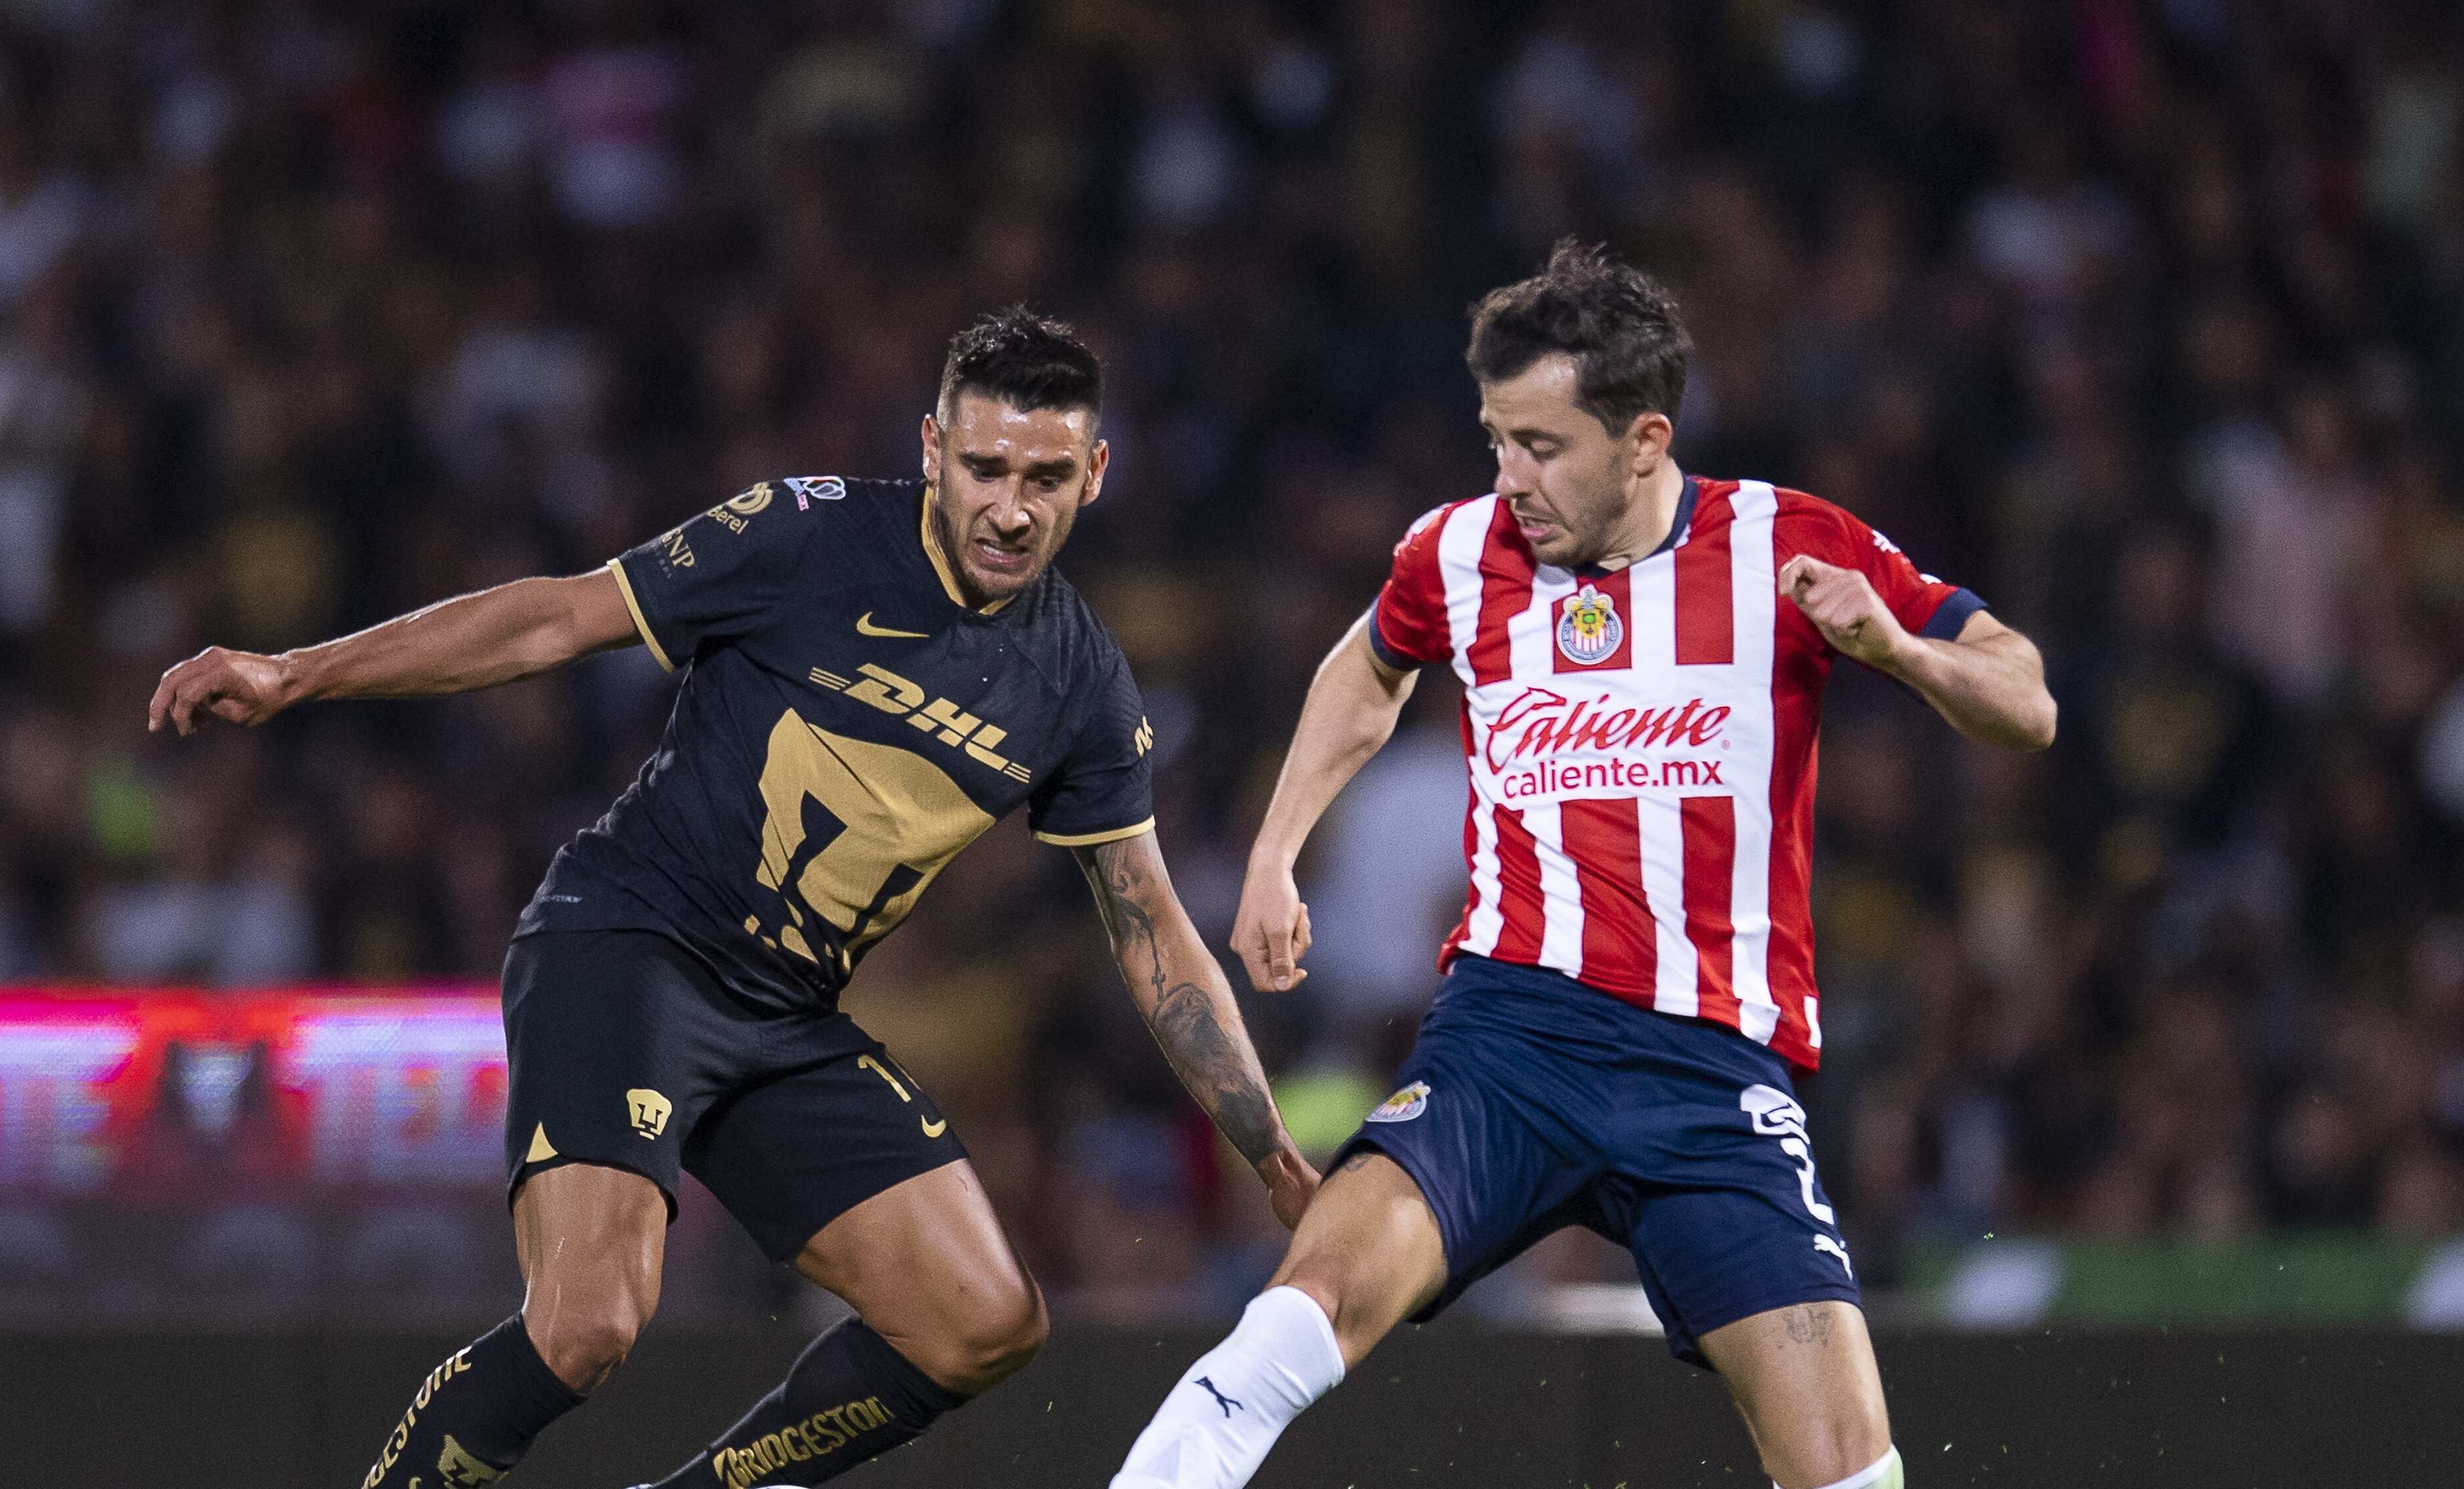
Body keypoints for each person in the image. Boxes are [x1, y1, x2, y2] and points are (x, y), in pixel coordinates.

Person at [149, 308, 1320, 1489]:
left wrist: (1267, 1146)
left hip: (784, 1016)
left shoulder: (1080, 681)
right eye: (985, 467)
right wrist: (296, 671)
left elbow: (1149, 925)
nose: (1011, 506)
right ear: (931, 447)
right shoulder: (804, 534)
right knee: (589, 1321)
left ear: (1097, 475)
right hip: (629, 945)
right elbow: (561, 614)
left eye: (1048, 477)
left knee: (984, 1318)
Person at [1106, 242, 2056, 1489]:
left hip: (1711, 1070)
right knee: (1299, 1314)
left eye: (1542, 446)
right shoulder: (1456, 552)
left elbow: (2026, 701)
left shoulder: (1787, 544)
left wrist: (1905, 650)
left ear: (1645, 439)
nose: (1511, 478)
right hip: (1511, 1038)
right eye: (1497, 439)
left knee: (1849, 1472)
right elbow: (1369, 665)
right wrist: (1277, 853)